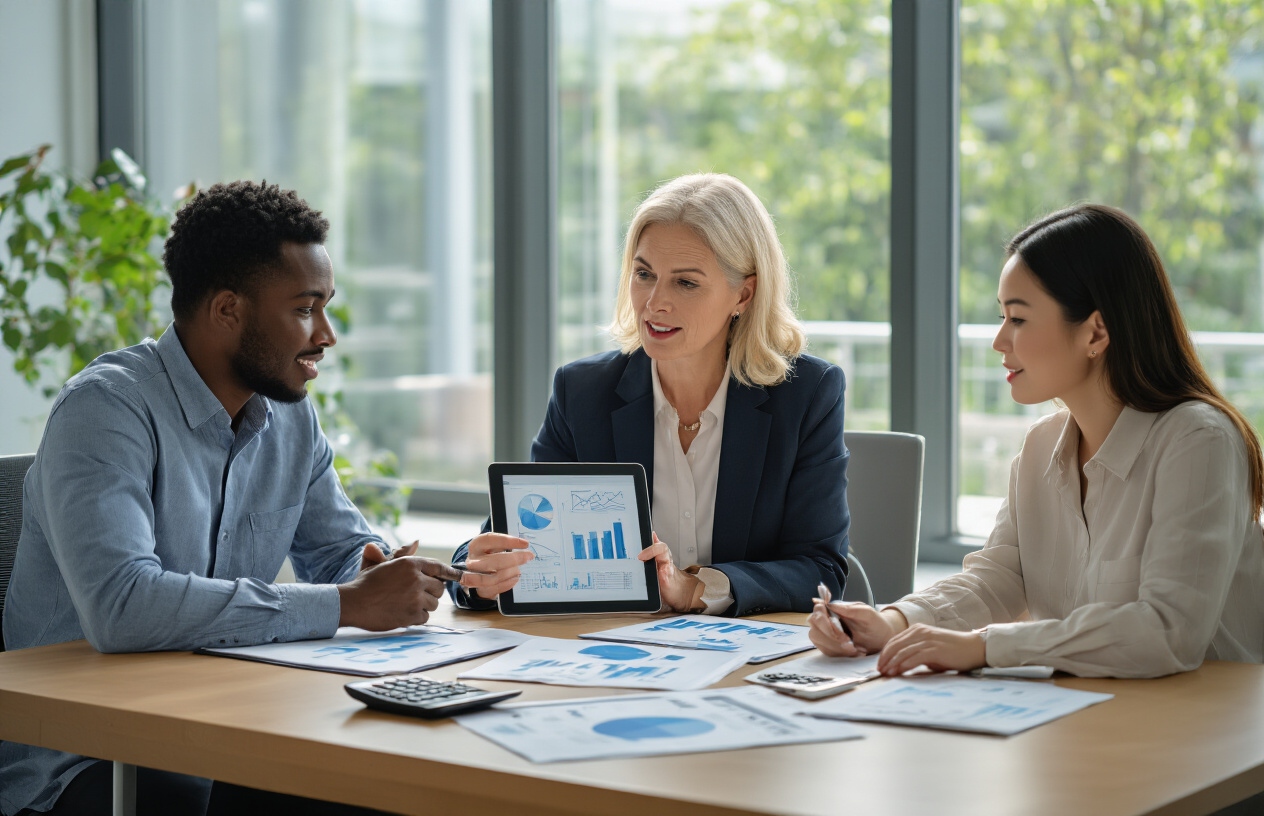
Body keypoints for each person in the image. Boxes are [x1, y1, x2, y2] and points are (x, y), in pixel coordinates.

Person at [0, 181, 519, 816]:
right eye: (305, 309)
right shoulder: (105, 410)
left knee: (404, 783)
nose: (326, 334)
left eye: (326, 307)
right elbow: (123, 607)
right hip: (85, 757)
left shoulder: (289, 418)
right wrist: (347, 602)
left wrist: (369, 567)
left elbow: (338, 555)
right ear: (227, 311)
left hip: (224, 718)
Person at [809, 203, 1264, 678]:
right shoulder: (1041, 447)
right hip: (1086, 718)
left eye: (1018, 319)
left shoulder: (1198, 441)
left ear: (1096, 331)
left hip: (1203, 731)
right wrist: (892, 622)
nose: (999, 341)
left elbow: (1168, 630)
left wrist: (984, 647)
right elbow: (999, 577)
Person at [450, 173, 849, 617]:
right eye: (644, 274)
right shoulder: (583, 393)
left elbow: (820, 570)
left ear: (745, 294)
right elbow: (509, 539)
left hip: (745, 661)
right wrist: (477, 578)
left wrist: (695, 589)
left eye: (686, 282)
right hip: (613, 651)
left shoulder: (806, 395)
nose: (654, 302)